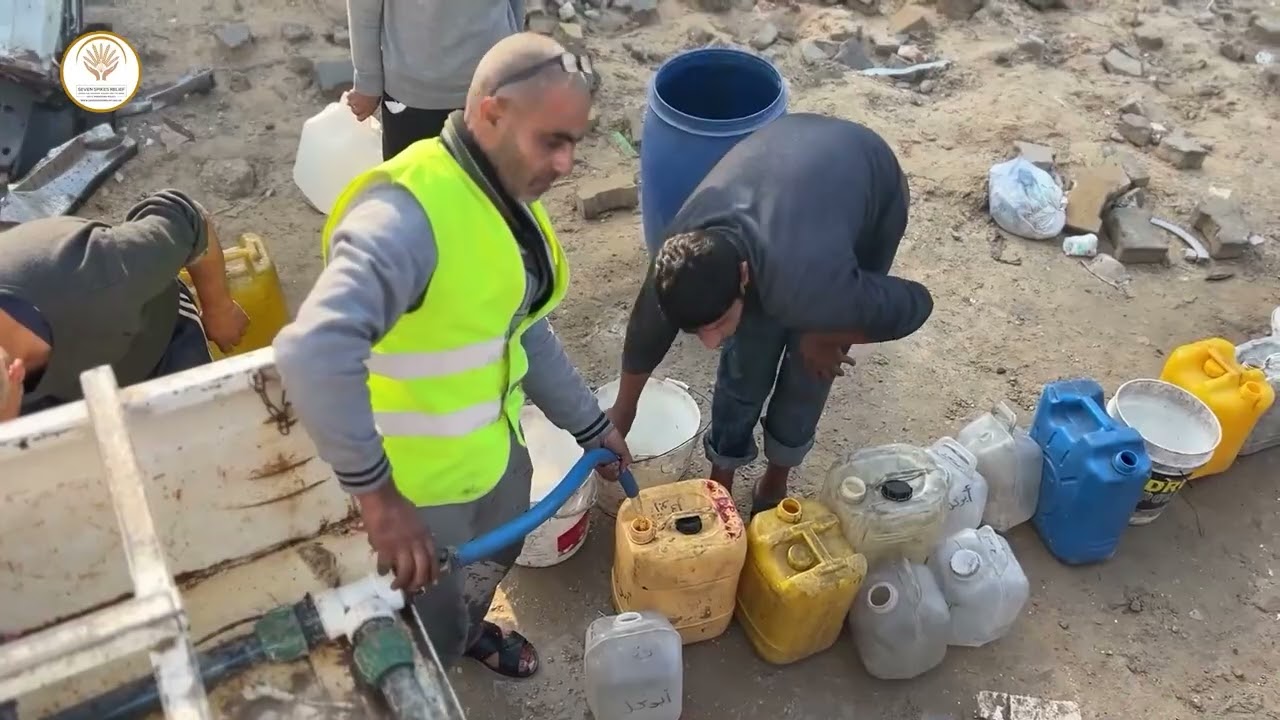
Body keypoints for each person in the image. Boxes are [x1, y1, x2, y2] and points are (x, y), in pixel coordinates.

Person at [273, 32, 630, 680]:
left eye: (575, 142)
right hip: (420, 497)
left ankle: (467, 632)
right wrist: (380, 503)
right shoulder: (407, 214)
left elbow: (517, 328)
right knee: (425, 623)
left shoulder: (506, 202)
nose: (568, 163)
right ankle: (435, 663)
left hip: (493, 459)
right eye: (552, 140)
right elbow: (313, 352)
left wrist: (590, 424)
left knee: (485, 571)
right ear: (491, 113)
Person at [606, 113, 935, 516]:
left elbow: (916, 302)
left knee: (809, 368)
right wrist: (620, 417)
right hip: (790, 165)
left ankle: (773, 484)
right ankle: (720, 483)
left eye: (716, 324)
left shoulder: (817, 286)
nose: (710, 344)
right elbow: (645, 335)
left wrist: (829, 333)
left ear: (743, 274)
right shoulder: (680, 257)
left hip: (869, 188)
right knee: (744, 360)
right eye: (697, 332)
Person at [0, 190, 249, 422]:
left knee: (205, 432)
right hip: (62, 390)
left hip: (156, 351)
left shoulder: (100, 274)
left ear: (16, 372)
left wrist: (220, 309)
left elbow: (188, 217)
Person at [345, 0, 525, 159]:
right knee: (413, 192)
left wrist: (510, 60)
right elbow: (363, 7)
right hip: (413, 95)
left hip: (491, 86)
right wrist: (367, 80)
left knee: (485, 193)